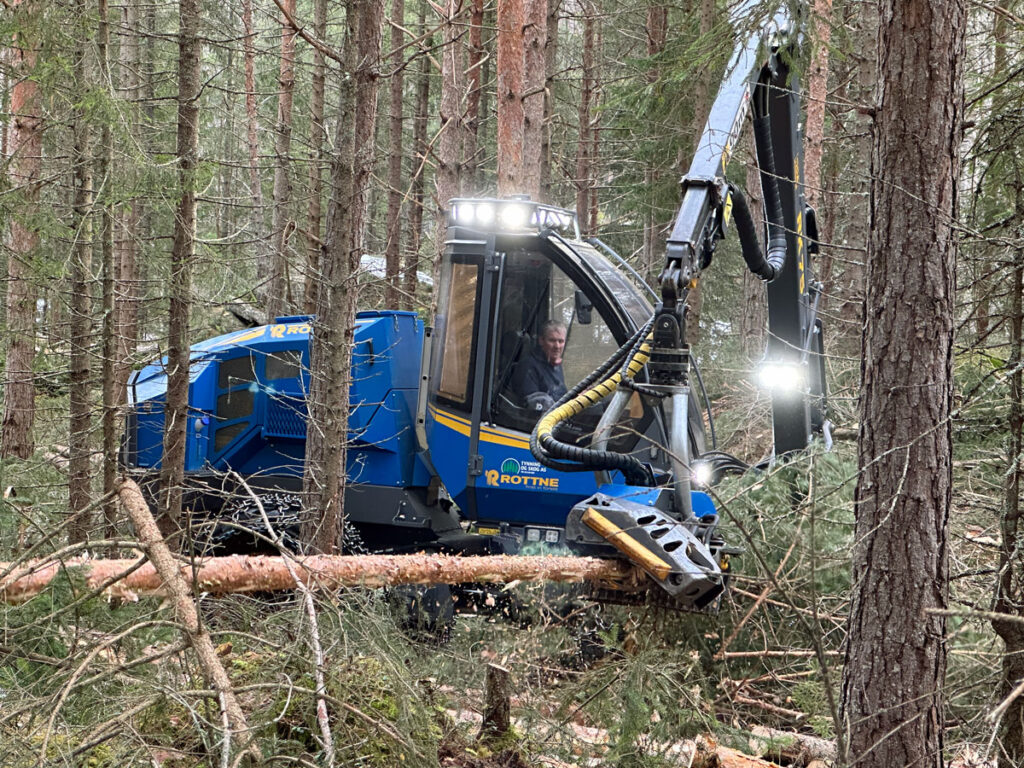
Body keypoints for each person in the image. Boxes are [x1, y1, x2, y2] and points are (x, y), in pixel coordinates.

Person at [515, 320, 568, 412]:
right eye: (552, 340)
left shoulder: (554, 364)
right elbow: (533, 406)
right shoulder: (528, 366)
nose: (557, 346)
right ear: (541, 341)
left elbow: (561, 395)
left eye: (561, 341)